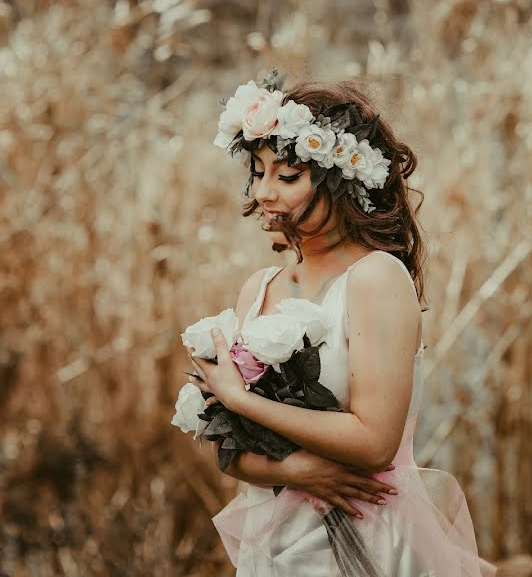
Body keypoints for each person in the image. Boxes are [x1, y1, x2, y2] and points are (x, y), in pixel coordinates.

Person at [187, 70, 496, 576]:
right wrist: (295, 469)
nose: (265, 191)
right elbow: (228, 447)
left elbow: (375, 442)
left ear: (342, 180)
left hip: (367, 539)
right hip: (277, 547)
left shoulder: (376, 278)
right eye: (258, 171)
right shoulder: (259, 288)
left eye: (287, 177)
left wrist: (242, 399)